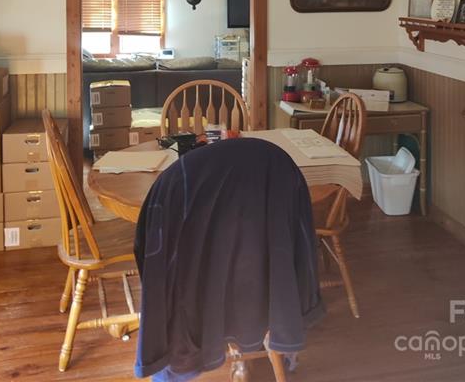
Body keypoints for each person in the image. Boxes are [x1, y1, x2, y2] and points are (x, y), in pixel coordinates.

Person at [134, 138, 324, 381]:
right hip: (260, 251)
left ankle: (222, 337)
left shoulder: (177, 178)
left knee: (208, 243)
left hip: (196, 276)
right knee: (245, 240)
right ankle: (263, 331)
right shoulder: (274, 160)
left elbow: (146, 249)